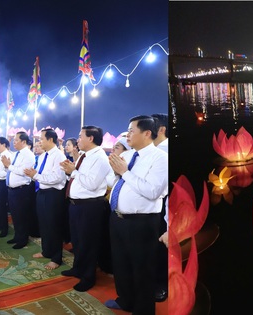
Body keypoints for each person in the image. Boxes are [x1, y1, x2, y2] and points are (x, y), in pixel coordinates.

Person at [105, 115, 168, 314]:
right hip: (118, 217)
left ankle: (143, 309)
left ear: (147, 133)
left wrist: (124, 173)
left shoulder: (160, 158)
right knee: (121, 263)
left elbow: (153, 192)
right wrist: (116, 171)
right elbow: (113, 181)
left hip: (141, 222)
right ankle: (126, 300)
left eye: (132, 130)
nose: (128, 134)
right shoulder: (130, 155)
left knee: (142, 268)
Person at [59, 125, 112, 292]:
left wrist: (73, 171)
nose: (78, 140)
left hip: (90, 206)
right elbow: (80, 179)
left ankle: (88, 277)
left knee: (88, 242)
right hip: (76, 204)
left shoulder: (100, 158)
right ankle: (78, 268)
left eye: (80, 136)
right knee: (78, 240)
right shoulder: (84, 155)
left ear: (91, 138)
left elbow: (91, 183)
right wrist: (71, 171)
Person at [25, 128, 67, 270]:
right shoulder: (43, 156)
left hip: (53, 195)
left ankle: (56, 258)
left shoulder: (59, 156)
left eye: (41, 139)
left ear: (50, 139)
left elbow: (57, 178)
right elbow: (39, 174)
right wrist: (33, 174)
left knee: (53, 226)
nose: (39, 142)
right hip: (42, 192)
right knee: (43, 223)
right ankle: (46, 250)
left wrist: (35, 175)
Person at [2, 131, 36, 249]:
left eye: (16, 140)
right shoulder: (17, 154)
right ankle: (17, 236)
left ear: (24, 142)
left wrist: (8, 166)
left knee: (22, 216)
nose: (13, 142)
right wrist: (7, 167)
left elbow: (23, 171)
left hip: (22, 190)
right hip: (12, 190)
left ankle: (23, 239)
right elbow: (12, 169)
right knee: (15, 215)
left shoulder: (28, 155)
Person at [151, 113, 169, 302]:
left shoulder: (164, 152)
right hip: (153, 208)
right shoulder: (153, 151)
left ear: (161, 130)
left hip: (163, 207)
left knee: (160, 247)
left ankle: (161, 285)